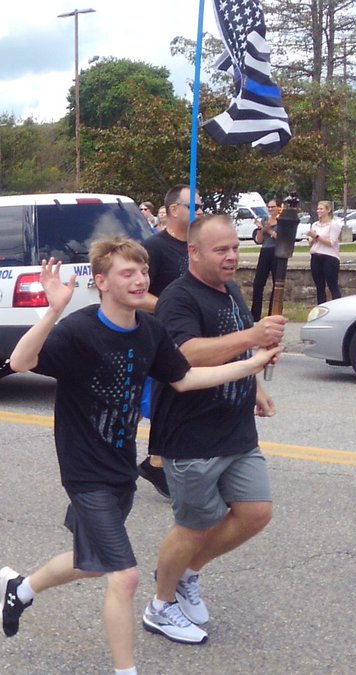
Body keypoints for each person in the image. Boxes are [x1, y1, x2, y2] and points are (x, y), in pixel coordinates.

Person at [0, 240, 280, 673]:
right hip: (83, 471)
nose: (140, 279)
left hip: (119, 467)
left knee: (91, 563)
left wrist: (251, 365)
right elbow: (20, 360)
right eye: (127, 273)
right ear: (102, 281)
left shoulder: (150, 330)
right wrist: (53, 311)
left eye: (143, 271)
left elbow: (184, 378)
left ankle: (21, 589)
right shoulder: (79, 330)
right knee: (124, 576)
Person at [144, 214, 286, 645]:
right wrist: (252, 337)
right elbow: (185, 355)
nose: (231, 257)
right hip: (191, 434)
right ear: (194, 252)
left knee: (256, 512)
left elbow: (236, 349)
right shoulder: (177, 298)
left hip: (236, 428)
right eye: (220, 249)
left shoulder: (232, 291)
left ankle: (186, 572)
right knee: (195, 525)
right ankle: (160, 606)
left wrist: (256, 385)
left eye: (235, 248)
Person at [135, 183, 193, 498]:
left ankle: (162, 460)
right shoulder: (154, 248)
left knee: (187, 398)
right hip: (161, 336)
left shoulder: (196, 247)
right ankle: (156, 461)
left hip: (193, 335)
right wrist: (172, 309)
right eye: (192, 205)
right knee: (165, 398)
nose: (198, 211)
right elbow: (137, 293)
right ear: (173, 210)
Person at [250, 197, 281, 320]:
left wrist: (269, 230)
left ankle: (272, 313)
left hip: (276, 252)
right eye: (269, 207)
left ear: (278, 207)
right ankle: (255, 314)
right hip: (265, 251)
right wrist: (260, 228)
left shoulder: (282, 221)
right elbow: (259, 240)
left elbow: (282, 239)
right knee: (258, 283)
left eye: (273, 207)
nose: (271, 209)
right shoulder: (265, 220)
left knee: (276, 284)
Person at [307, 200, 343, 304]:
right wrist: (312, 237)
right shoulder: (315, 225)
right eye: (318, 209)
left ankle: (338, 306)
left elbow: (331, 242)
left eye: (321, 209)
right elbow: (311, 243)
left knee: (332, 285)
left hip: (329, 257)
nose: (319, 211)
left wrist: (317, 236)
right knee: (319, 286)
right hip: (316, 256)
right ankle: (321, 306)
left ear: (328, 210)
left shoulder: (333, 225)